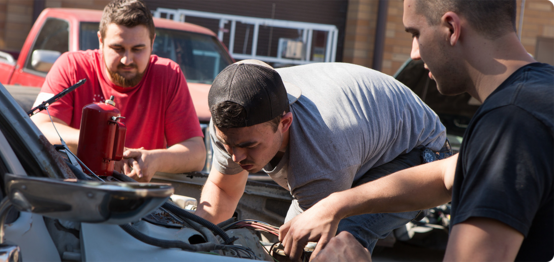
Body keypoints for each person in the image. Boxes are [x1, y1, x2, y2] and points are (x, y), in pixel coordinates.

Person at [279, 0, 554, 261]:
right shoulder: (540, 93)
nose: (414, 52)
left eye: (416, 33)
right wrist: (337, 204)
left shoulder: (510, 122)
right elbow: (446, 173)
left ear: (451, 29)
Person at [195, 59, 450, 257]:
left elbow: (299, 240)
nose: (236, 156)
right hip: (360, 139)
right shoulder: (233, 112)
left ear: (284, 122)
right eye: (227, 144)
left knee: (331, 243)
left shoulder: (321, 150)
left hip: (419, 154)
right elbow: (223, 191)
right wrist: (194, 245)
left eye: (249, 145)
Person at [31, 0, 205, 182]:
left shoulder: (169, 75)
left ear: (152, 43)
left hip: (140, 199)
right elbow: (39, 127)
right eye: (118, 49)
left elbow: (196, 153)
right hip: (78, 189)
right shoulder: (72, 66)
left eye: (138, 49)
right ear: (100, 41)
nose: (127, 60)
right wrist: (101, 141)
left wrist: (155, 160)